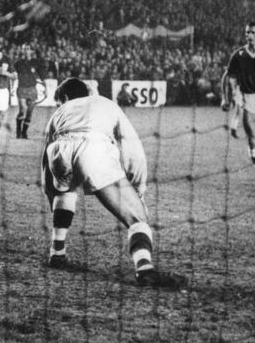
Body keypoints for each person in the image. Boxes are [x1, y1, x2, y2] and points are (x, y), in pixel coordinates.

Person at [41, 78, 187, 289]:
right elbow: (132, 147)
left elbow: (46, 164)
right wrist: (138, 191)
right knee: (137, 217)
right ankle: (145, 269)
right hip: (92, 148)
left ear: (63, 98)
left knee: (66, 190)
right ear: (88, 91)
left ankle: (57, 252)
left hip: (58, 152)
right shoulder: (105, 103)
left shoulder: (58, 113)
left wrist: (52, 193)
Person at [221, 21, 255, 187]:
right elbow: (228, 76)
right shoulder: (239, 55)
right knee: (252, 138)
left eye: (252, 32)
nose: (249, 35)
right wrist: (225, 97)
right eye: (247, 32)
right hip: (247, 100)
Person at [13, 44, 43, 139]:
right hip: (22, 88)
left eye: (28, 49)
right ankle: (18, 131)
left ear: (31, 51)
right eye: (25, 49)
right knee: (22, 111)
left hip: (32, 89)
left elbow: (41, 75)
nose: (27, 51)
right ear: (22, 51)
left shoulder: (36, 62)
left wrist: (45, 87)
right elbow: (13, 75)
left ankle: (24, 132)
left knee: (29, 113)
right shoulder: (18, 63)